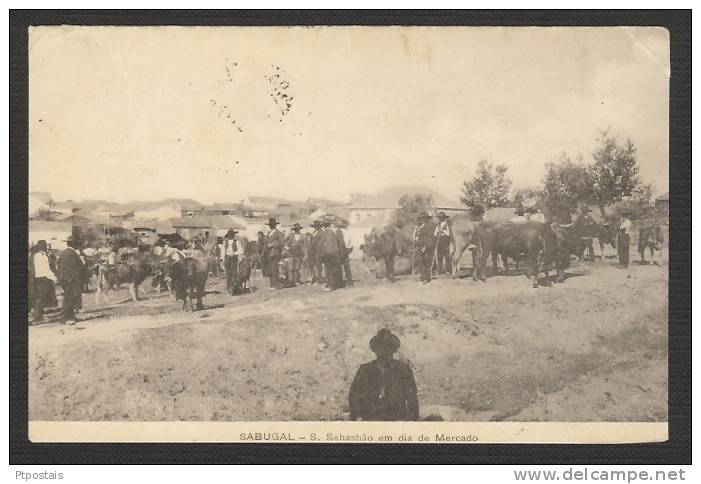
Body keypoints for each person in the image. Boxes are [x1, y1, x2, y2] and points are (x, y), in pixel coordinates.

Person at [348, 329, 419, 421]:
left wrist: (412, 419)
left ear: (393, 350)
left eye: (388, 349)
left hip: (397, 418)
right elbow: (354, 395)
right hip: (371, 418)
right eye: (381, 349)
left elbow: (411, 397)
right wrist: (358, 416)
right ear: (376, 351)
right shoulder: (365, 370)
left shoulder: (403, 370)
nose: (385, 353)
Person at [58, 236, 86, 324]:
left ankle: (71, 316)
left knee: (70, 298)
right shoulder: (72, 253)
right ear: (74, 244)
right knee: (68, 298)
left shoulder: (63, 253)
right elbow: (79, 266)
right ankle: (65, 318)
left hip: (65, 278)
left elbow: (59, 266)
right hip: (71, 279)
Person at [30, 240, 58, 322]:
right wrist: (54, 278)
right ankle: (36, 317)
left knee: (40, 297)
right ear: (43, 247)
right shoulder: (41, 256)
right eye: (46, 245)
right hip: (42, 279)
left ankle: (39, 316)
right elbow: (46, 270)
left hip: (39, 278)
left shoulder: (37, 255)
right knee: (41, 297)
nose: (47, 247)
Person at [319, 218, 342, 291]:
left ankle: (330, 285)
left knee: (328, 270)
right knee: (333, 269)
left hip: (328, 254)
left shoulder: (325, 233)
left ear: (324, 226)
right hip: (335, 254)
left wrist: (321, 253)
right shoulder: (333, 233)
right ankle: (334, 284)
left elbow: (321, 244)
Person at [414, 212, 435, 283]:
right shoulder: (421, 226)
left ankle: (427, 277)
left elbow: (430, 237)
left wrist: (425, 246)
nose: (422, 219)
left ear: (427, 218)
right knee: (420, 261)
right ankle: (423, 276)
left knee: (426, 261)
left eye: (424, 218)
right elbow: (419, 236)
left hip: (426, 246)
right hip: (420, 245)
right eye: (421, 218)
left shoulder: (430, 225)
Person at [265, 218, 285, 289]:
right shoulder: (268, 233)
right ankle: (272, 284)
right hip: (269, 254)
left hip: (275, 253)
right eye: (270, 225)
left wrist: (273, 244)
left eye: (272, 225)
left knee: (274, 269)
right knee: (270, 269)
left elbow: (282, 243)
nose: (271, 226)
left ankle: (276, 284)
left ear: (275, 225)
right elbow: (266, 242)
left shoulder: (278, 233)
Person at [223, 229, 241, 294]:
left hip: (234, 258)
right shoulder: (225, 242)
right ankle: (229, 288)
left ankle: (235, 288)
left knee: (234, 273)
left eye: (232, 235)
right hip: (227, 258)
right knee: (228, 274)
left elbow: (240, 250)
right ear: (228, 235)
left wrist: (235, 253)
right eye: (230, 235)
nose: (231, 236)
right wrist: (223, 259)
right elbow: (223, 251)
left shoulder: (237, 242)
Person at [338, 219, 354, 286]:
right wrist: (349, 249)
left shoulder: (338, 231)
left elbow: (351, 242)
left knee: (340, 266)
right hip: (345, 249)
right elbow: (351, 243)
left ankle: (341, 281)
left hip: (342, 249)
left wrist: (349, 249)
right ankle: (349, 281)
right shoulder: (347, 232)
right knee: (346, 266)